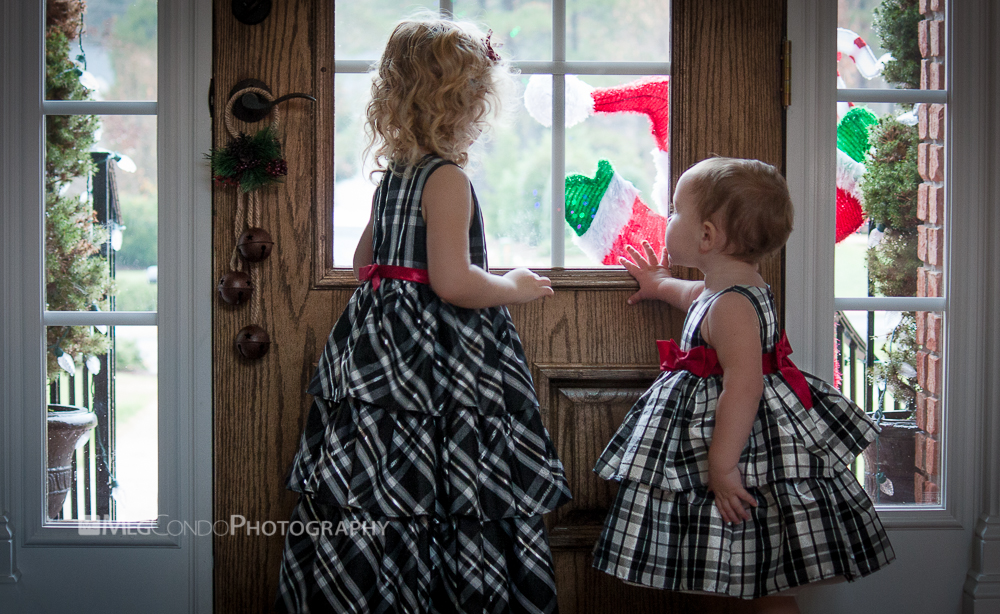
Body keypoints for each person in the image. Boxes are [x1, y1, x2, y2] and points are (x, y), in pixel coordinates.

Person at [276, 16, 571, 614]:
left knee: (383, 473)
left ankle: (378, 589)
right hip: (441, 357)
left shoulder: (394, 178)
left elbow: (364, 264)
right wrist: (513, 286)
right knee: (454, 474)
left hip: (381, 353)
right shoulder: (447, 180)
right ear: (465, 104)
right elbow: (454, 282)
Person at [592, 157, 894, 613]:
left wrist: (722, 465)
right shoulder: (726, 288)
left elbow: (744, 387)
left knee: (763, 581)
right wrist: (659, 283)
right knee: (743, 576)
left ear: (707, 236)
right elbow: (692, 295)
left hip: (742, 449)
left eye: (674, 211)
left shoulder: (730, 305)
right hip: (748, 440)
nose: (668, 218)